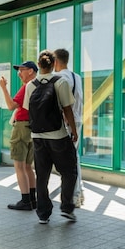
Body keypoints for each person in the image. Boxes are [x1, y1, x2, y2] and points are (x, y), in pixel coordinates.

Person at [23, 50, 78, 224]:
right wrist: (73, 130)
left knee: (42, 175)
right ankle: (67, 207)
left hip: (37, 136)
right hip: (58, 135)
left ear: (38, 65)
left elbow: (28, 110)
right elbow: (67, 109)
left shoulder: (30, 85)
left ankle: (43, 213)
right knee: (69, 171)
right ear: (54, 64)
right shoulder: (60, 82)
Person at [0, 61, 38, 210]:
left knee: (19, 166)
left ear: (31, 71)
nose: (19, 73)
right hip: (33, 128)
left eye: (22, 70)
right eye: (18, 71)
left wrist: (3, 88)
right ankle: (33, 200)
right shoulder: (39, 85)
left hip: (21, 127)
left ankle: (25, 200)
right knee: (28, 166)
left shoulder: (27, 86)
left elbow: (10, 106)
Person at [53, 48, 85, 208]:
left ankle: (74, 194)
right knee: (74, 158)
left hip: (67, 123)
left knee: (69, 161)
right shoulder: (76, 76)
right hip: (77, 120)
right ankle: (78, 192)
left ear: (56, 62)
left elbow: (63, 104)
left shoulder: (60, 77)